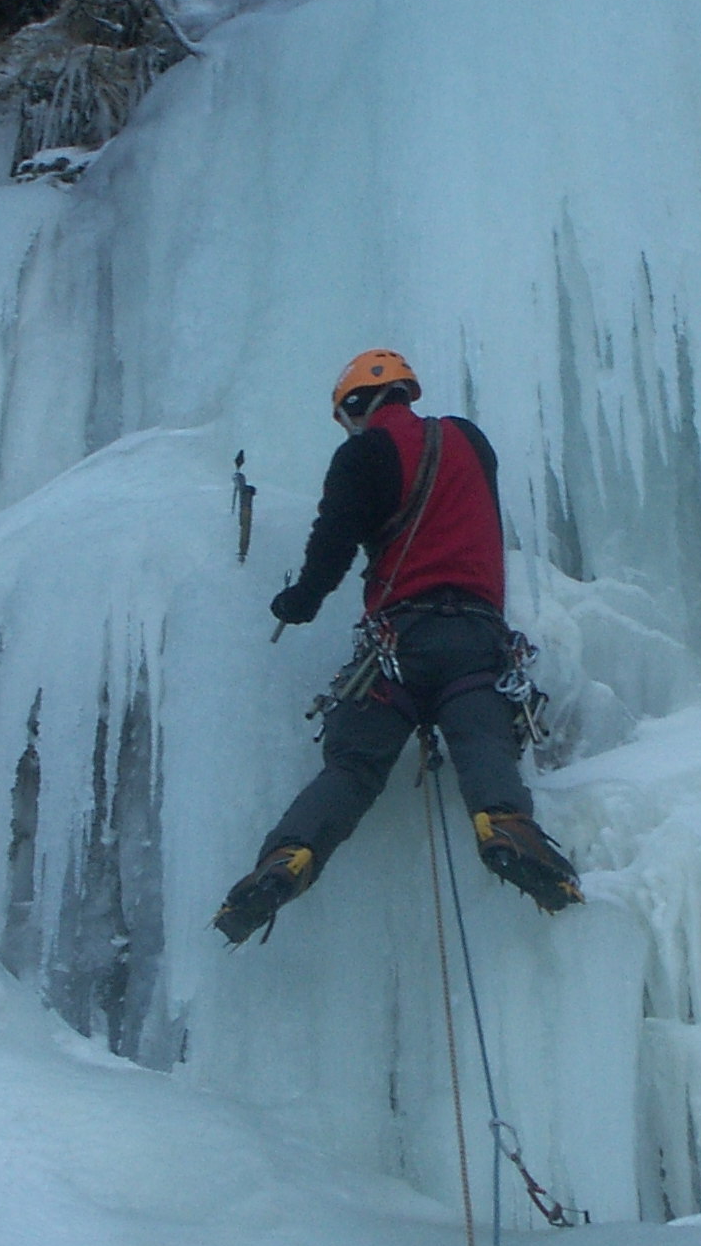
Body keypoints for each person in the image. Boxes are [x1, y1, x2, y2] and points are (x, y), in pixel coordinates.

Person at [213, 349, 584, 944]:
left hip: (397, 647)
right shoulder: (470, 441)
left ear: (357, 406)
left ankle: (288, 858)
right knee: (483, 741)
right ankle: (506, 828)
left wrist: (301, 601)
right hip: (476, 640)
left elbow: (333, 543)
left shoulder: (363, 455)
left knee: (353, 766)